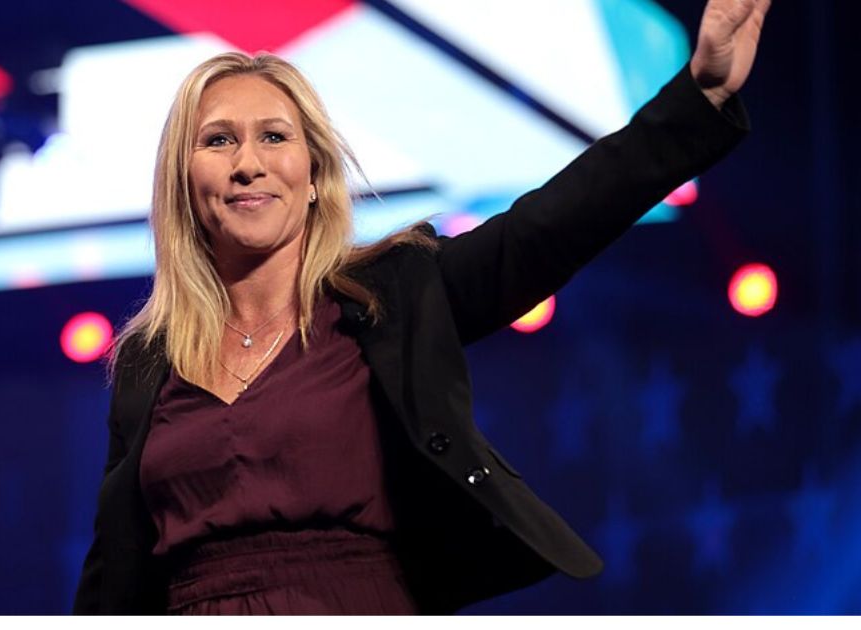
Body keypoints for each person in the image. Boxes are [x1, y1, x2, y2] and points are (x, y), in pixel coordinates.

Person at [73, 0, 770, 615]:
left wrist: (695, 99)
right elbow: (115, 575)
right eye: (218, 139)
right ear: (184, 181)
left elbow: (552, 226)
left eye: (274, 136)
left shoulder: (392, 296)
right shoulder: (146, 361)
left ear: (314, 177)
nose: (247, 162)